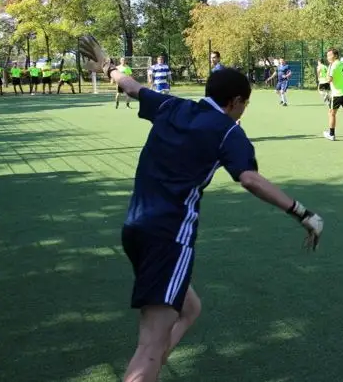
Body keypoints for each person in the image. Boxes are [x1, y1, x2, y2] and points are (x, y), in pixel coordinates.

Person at [77, 35, 324, 382]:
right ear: (235, 101)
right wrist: (303, 213)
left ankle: (151, 370)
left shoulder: (172, 106)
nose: (244, 110)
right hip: (168, 236)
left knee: (190, 309)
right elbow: (250, 179)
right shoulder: (228, 132)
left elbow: (130, 86)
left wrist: (107, 66)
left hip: (135, 228)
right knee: (149, 342)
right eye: (245, 104)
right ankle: (146, 369)